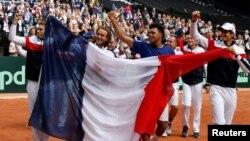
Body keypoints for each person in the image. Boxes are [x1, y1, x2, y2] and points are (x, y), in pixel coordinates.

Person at [108, 10, 175, 141]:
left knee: (162, 125)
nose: (150, 35)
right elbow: (122, 36)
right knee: (145, 126)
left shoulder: (169, 51)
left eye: (153, 33)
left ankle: (154, 138)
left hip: (161, 92)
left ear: (160, 34)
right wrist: (114, 20)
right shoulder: (143, 46)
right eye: (149, 33)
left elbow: (172, 70)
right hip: (145, 91)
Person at [190, 10, 250, 125]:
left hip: (231, 90)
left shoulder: (240, 50)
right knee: (220, 123)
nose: (223, 33)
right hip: (216, 88)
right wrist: (193, 21)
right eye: (222, 31)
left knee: (226, 124)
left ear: (232, 34)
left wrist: (236, 55)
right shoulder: (213, 45)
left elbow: (247, 70)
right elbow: (195, 36)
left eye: (226, 32)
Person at [8, 12, 49, 141]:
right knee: (33, 113)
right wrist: (14, 22)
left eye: (42, 29)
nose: (39, 30)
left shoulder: (53, 43)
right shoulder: (30, 40)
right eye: (38, 28)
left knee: (46, 113)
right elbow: (12, 38)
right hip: (33, 82)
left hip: (47, 83)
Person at [180, 35, 205, 138]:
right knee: (186, 105)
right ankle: (185, 126)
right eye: (188, 39)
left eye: (192, 39)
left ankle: (196, 129)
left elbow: (205, 65)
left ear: (196, 40)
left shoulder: (201, 50)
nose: (190, 40)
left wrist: (207, 82)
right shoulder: (183, 49)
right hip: (186, 81)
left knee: (197, 106)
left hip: (198, 81)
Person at [162, 35, 183, 137]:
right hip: (164, 83)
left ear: (175, 43)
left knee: (174, 107)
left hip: (174, 83)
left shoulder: (179, 53)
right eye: (168, 41)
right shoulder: (163, 51)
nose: (169, 43)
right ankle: (164, 126)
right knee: (164, 106)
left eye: (171, 42)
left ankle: (169, 122)